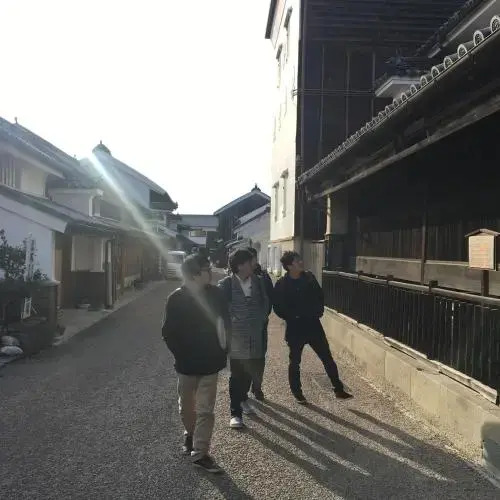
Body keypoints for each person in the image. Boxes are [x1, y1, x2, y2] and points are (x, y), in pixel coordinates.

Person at [162, 254, 229, 473]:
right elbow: (168, 333)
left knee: (206, 410)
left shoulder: (217, 295)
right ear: (194, 275)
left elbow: (225, 323)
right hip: (186, 364)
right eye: (206, 269)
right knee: (186, 407)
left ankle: (201, 452)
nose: (210, 272)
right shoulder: (176, 299)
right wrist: (181, 355)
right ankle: (190, 435)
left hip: (211, 362)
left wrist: (223, 349)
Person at [273, 251, 352, 404]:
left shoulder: (309, 278)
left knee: (327, 358)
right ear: (289, 266)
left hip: (313, 326)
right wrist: (291, 316)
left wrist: (318, 312)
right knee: (295, 362)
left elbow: (320, 296)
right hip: (295, 329)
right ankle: (297, 393)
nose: (301, 262)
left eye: (300, 259)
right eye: (297, 261)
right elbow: (277, 306)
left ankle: (338, 389)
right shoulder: (282, 284)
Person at [219, 249, 269, 429]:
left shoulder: (259, 281)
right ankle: (235, 413)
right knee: (237, 374)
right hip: (236, 337)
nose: (253, 264)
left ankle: (243, 398)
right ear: (240, 265)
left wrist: (261, 319)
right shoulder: (226, 284)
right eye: (250, 262)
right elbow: (220, 309)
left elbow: (266, 303)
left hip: (255, 335)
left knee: (250, 372)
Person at [246, 247, 273, 401]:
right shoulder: (238, 277)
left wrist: (263, 316)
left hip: (261, 325)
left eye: (252, 259)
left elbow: (269, 299)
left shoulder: (264, 276)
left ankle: (257, 387)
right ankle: (243, 388)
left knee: (260, 357)